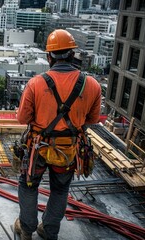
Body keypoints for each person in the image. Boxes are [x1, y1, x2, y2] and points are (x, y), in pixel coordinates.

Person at [15, 29, 101, 240]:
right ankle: (49, 230)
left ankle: (26, 229)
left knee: (28, 185)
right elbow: (92, 119)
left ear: (49, 56)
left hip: (38, 148)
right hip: (68, 149)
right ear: (72, 55)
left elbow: (22, 119)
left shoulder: (36, 83)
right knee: (60, 189)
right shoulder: (91, 85)